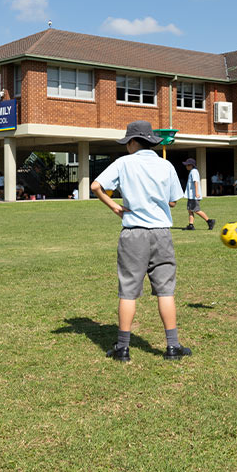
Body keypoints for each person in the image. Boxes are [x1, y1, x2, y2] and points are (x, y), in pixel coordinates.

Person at [91, 120, 191, 362]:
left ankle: (123, 348)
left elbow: (96, 186)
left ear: (134, 142)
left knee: (128, 291)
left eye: (128, 142)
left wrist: (115, 206)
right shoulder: (165, 165)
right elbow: (174, 201)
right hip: (161, 233)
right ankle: (172, 346)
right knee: (166, 291)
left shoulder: (124, 163)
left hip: (133, 233)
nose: (127, 146)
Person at [182, 158, 215, 231]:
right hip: (191, 195)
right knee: (190, 210)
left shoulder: (194, 172)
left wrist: (196, 193)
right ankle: (191, 225)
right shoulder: (192, 172)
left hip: (194, 195)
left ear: (191, 165)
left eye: (187, 165)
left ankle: (209, 221)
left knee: (196, 210)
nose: (186, 166)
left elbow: (196, 182)